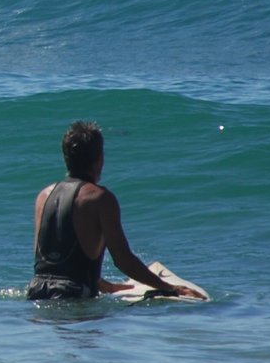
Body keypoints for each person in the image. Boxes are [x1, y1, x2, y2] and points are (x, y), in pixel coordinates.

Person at [27, 120, 200, 300]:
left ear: (65, 158)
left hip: (36, 292)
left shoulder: (43, 196)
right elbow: (122, 259)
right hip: (75, 296)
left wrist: (106, 286)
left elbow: (52, 264)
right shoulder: (99, 198)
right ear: (99, 159)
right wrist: (170, 288)